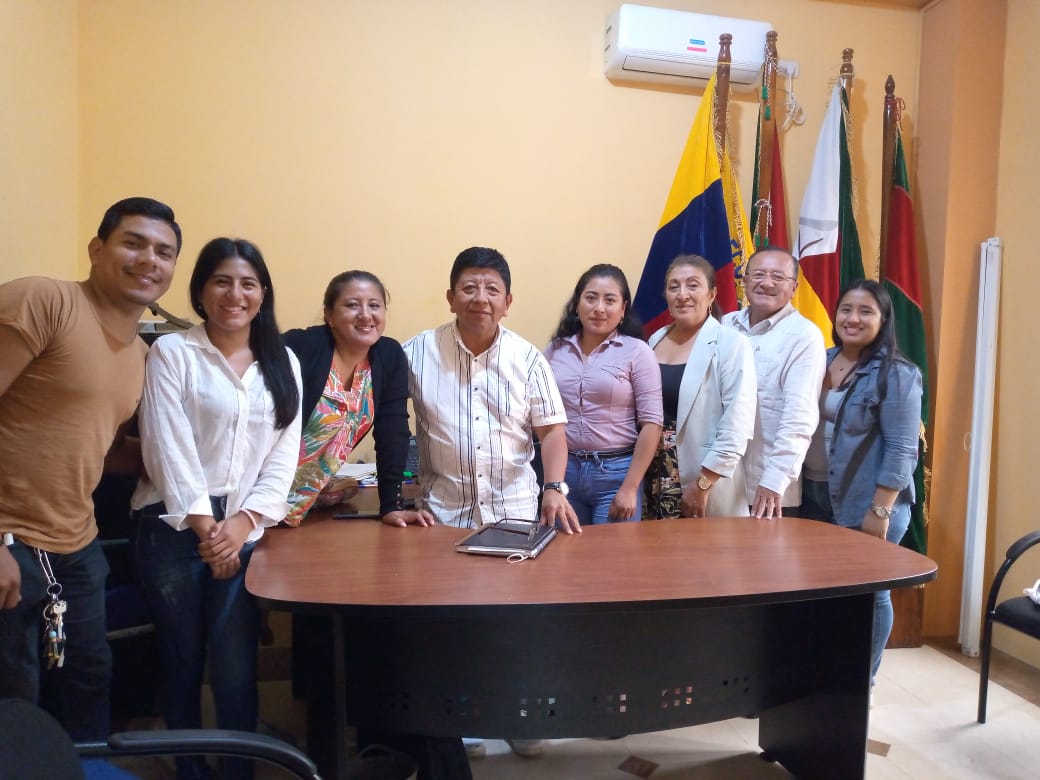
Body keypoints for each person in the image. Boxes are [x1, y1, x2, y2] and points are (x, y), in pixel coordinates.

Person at [0, 197, 181, 742]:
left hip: (76, 545)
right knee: (15, 698)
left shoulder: (142, 356)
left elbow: (102, 451)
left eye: (164, 252)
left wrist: (200, 469)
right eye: (133, 243)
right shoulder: (44, 301)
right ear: (97, 249)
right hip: (11, 537)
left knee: (88, 682)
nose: (149, 259)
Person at [131, 238, 302, 780]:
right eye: (222, 281)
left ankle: (238, 770)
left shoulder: (283, 361)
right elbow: (166, 446)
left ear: (263, 293)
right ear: (201, 290)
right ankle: (188, 767)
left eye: (248, 283)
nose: (235, 294)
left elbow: (284, 455)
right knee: (181, 659)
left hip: (245, 524)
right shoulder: (173, 352)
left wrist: (243, 524)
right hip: (172, 522)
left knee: (235, 664)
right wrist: (210, 531)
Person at [403, 246, 577, 761]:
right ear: (451, 296)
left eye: (491, 289)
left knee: (517, 625)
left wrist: (554, 486)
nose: (480, 298)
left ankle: (521, 717)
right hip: (444, 514)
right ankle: (465, 722)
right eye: (470, 288)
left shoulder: (527, 358)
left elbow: (552, 432)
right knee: (453, 627)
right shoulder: (416, 353)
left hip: (514, 513)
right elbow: (381, 415)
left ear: (507, 301)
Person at [797, 279, 922, 685]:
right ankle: (825, 675)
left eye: (866, 311)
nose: (853, 318)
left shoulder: (897, 374)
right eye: (846, 309)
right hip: (815, 495)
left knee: (870, 594)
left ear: (883, 320)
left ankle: (859, 685)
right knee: (821, 591)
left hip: (868, 501)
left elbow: (903, 448)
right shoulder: (821, 359)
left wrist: (880, 510)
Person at [283, 270, 433, 528]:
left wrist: (391, 506)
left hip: (298, 508)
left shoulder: (388, 355)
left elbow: (392, 433)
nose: (365, 315)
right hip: (250, 502)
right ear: (329, 315)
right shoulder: (302, 347)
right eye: (352, 305)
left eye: (374, 305)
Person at [544, 264, 662, 524]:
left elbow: (652, 424)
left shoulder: (638, 352)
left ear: (623, 308)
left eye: (610, 300)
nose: (599, 308)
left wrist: (630, 487)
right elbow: (540, 415)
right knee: (564, 547)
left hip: (616, 475)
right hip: (564, 472)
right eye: (591, 298)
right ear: (577, 304)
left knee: (612, 551)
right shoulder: (554, 351)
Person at [645, 255, 757, 518]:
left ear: (712, 294)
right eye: (674, 287)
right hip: (653, 472)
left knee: (701, 545)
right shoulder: (655, 339)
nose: (682, 295)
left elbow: (737, 424)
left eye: (693, 285)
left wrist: (703, 483)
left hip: (703, 476)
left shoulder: (731, 343)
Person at [721, 247, 826, 518]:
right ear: (745, 280)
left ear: (794, 288)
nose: (766, 283)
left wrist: (775, 480)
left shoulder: (804, 336)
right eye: (758, 274)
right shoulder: (725, 326)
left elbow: (799, 417)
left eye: (778, 277)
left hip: (766, 490)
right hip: (719, 481)